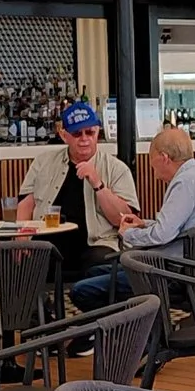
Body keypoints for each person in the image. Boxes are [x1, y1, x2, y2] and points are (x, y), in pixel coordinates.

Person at [67, 124, 195, 311]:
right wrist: (143, 224)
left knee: (82, 290)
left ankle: (131, 333)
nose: (156, 175)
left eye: (153, 164)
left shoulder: (184, 183)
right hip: (190, 271)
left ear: (164, 158)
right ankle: (138, 331)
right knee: (94, 273)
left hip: (171, 275)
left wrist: (129, 234)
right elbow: (176, 227)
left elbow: (161, 235)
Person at [16, 100, 140, 302]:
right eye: (77, 134)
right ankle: (37, 321)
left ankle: (97, 327)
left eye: (89, 133)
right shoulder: (43, 162)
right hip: (48, 242)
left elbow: (125, 219)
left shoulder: (116, 168)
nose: (84, 139)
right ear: (63, 135)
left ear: (97, 133)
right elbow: (26, 204)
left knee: (100, 265)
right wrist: (21, 237)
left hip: (96, 243)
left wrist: (98, 184)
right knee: (17, 261)